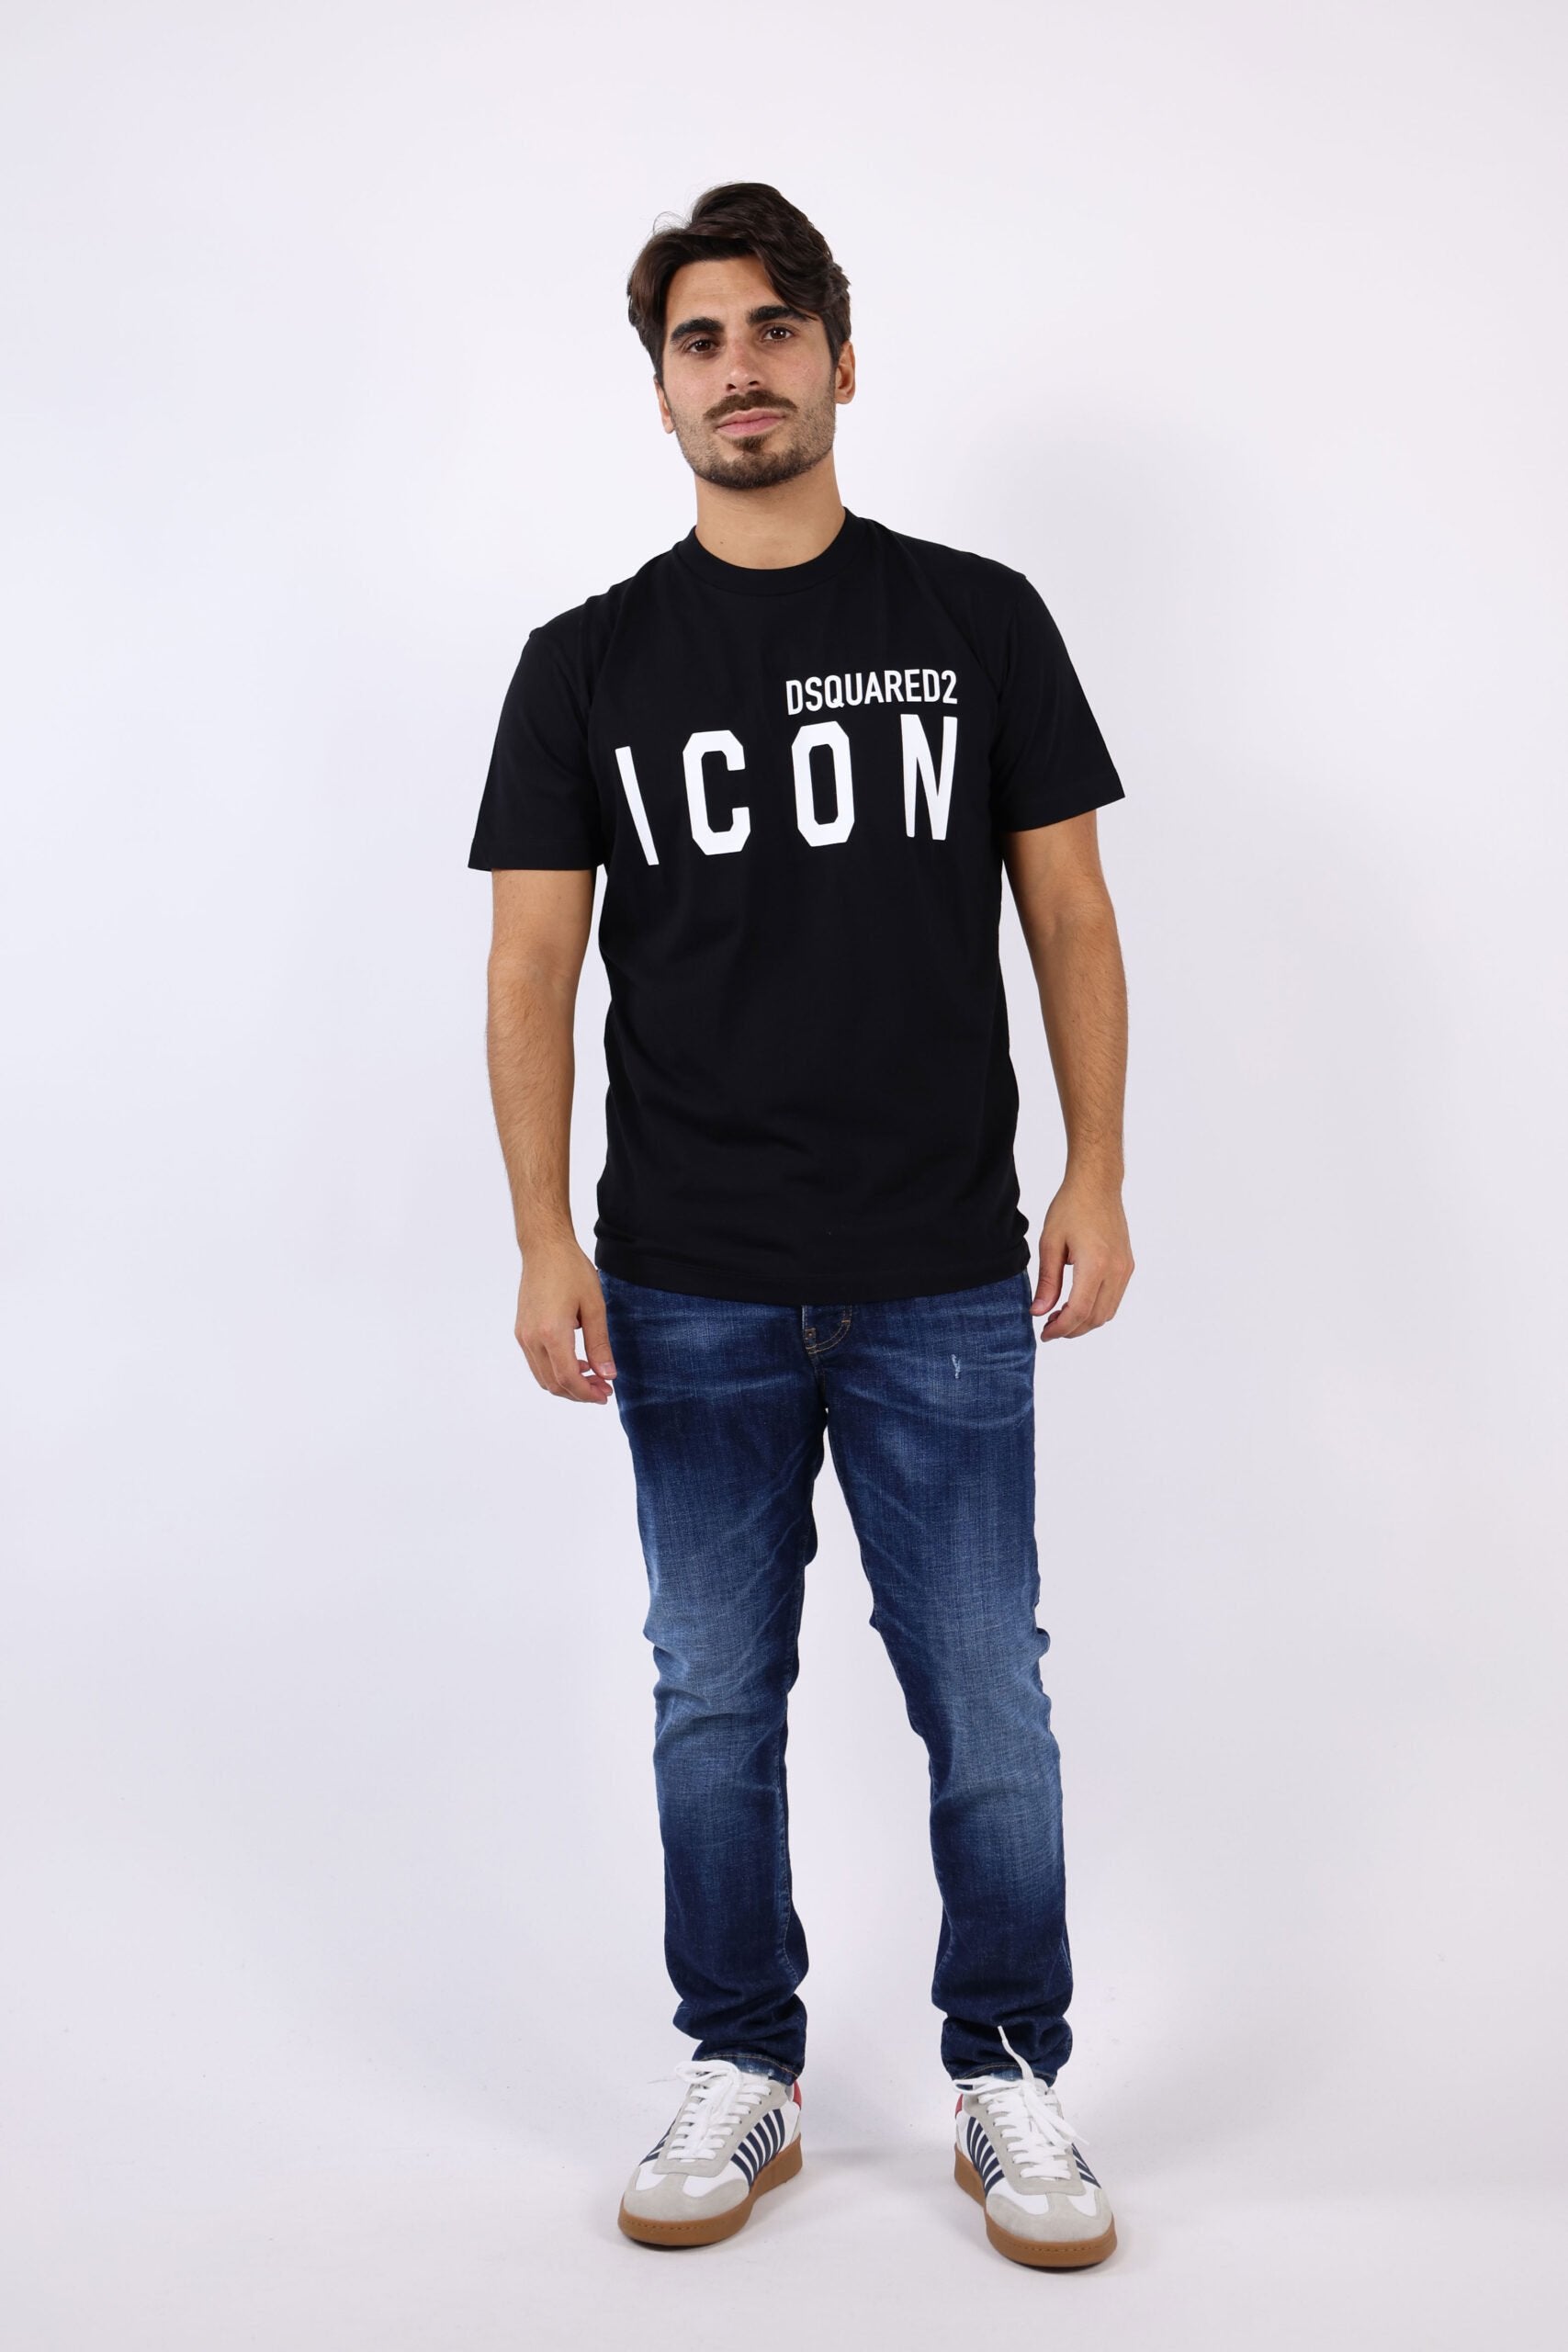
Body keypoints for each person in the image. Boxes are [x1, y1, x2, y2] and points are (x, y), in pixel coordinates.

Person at [468, 183, 1134, 2269]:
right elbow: (528, 968)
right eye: (699, 338)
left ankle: (1005, 2071)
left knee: (986, 1692)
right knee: (709, 1691)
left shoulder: (979, 618)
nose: (738, 368)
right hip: (685, 1273)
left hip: (942, 1265)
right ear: (659, 386)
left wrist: (1096, 1171)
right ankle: (740, 2056)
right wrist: (541, 1236)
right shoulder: (584, 662)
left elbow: (1069, 911)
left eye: (772, 329)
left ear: (842, 359)